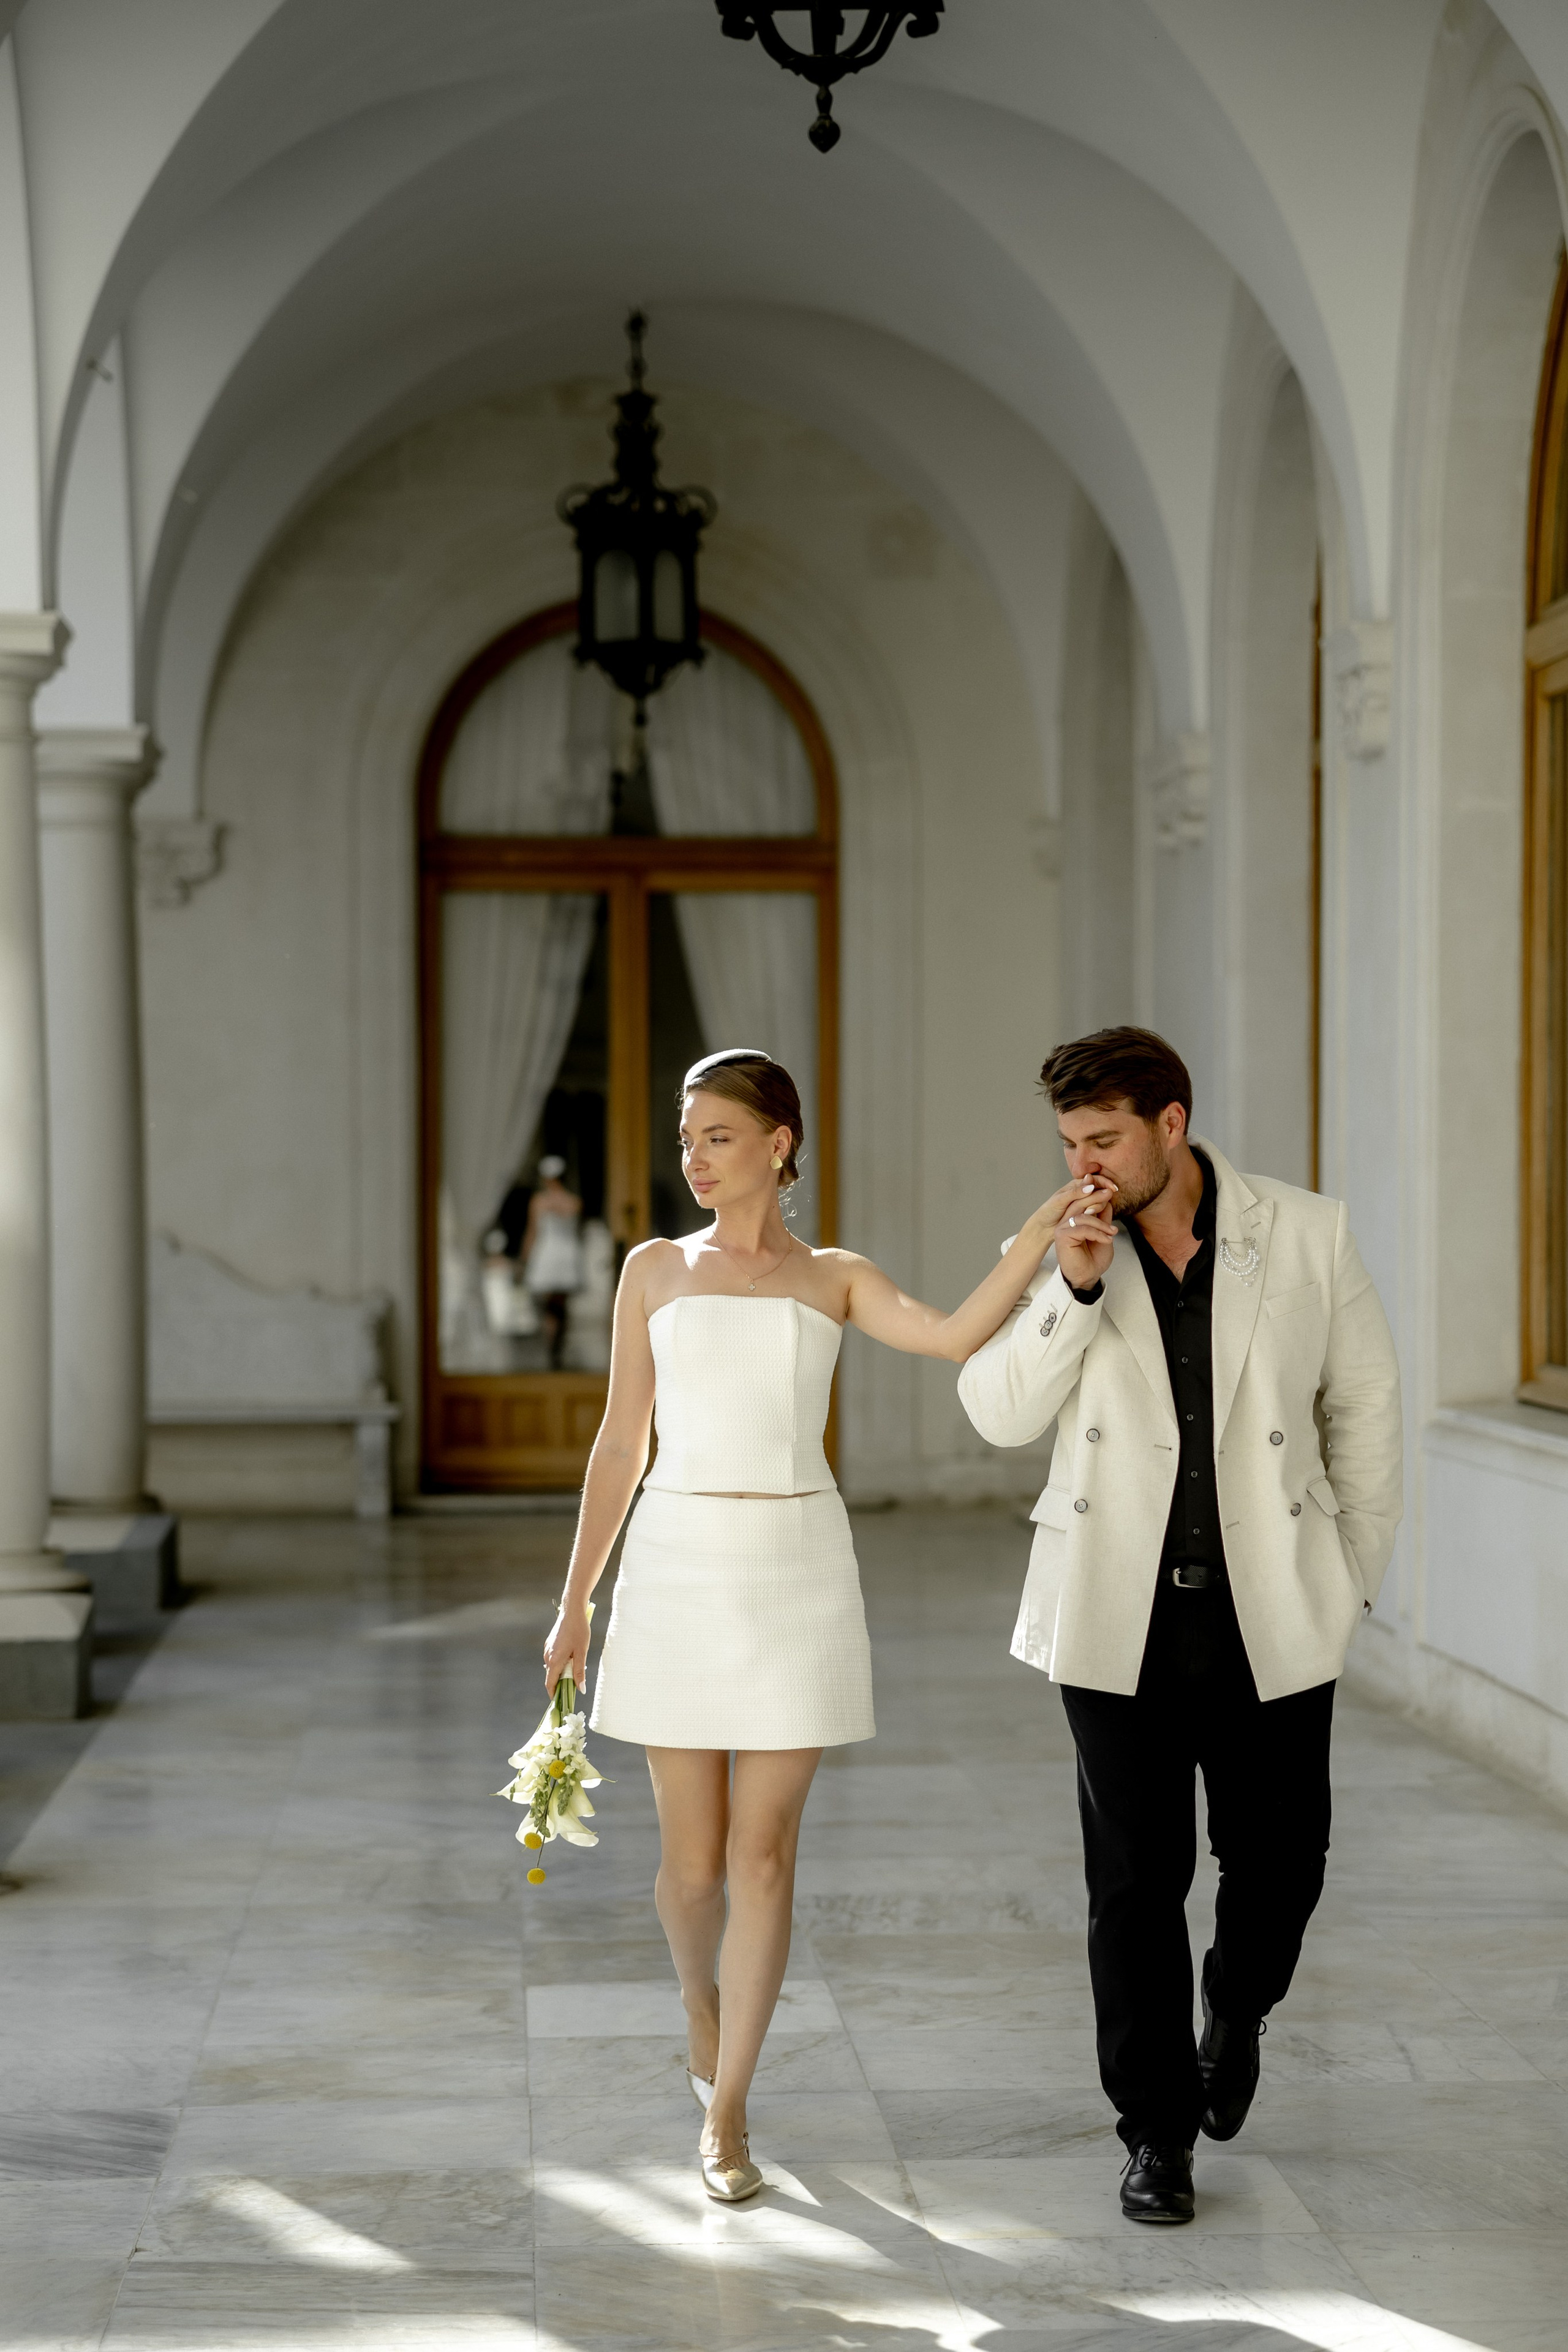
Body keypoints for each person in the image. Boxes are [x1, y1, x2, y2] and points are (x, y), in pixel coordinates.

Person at [541, 1047, 1089, 2204]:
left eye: (718, 1137)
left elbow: (949, 1339)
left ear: (779, 1145)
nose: (693, 1158)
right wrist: (576, 1599)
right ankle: (700, 2001)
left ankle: (729, 2111)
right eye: (686, 1138)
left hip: (797, 1571)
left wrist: (1042, 1239)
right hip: (679, 1565)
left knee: (765, 1852)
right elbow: (619, 1444)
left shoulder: (835, 1275)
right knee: (691, 1869)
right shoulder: (652, 1271)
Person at [957, 1027, 1402, 2226]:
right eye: (1066, 1143)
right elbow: (993, 1411)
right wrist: (1071, 1286)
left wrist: (1345, 1574)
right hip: (1113, 1614)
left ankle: (1238, 2006)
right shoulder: (1060, 1241)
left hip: (1269, 1611)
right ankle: (1152, 2131)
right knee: (1133, 1884)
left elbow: (1360, 1406)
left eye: (1103, 1139)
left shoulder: (1303, 1233)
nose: (1083, 1164)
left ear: (1170, 1122)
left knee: (1279, 1863)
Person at [523, 1155, 586, 1370]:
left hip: (548, 1254)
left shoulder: (539, 1202)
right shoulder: (574, 1202)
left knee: (549, 1306)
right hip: (567, 1255)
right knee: (560, 1305)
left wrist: (525, 1259)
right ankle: (557, 1348)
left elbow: (532, 1232)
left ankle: (552, 1348)